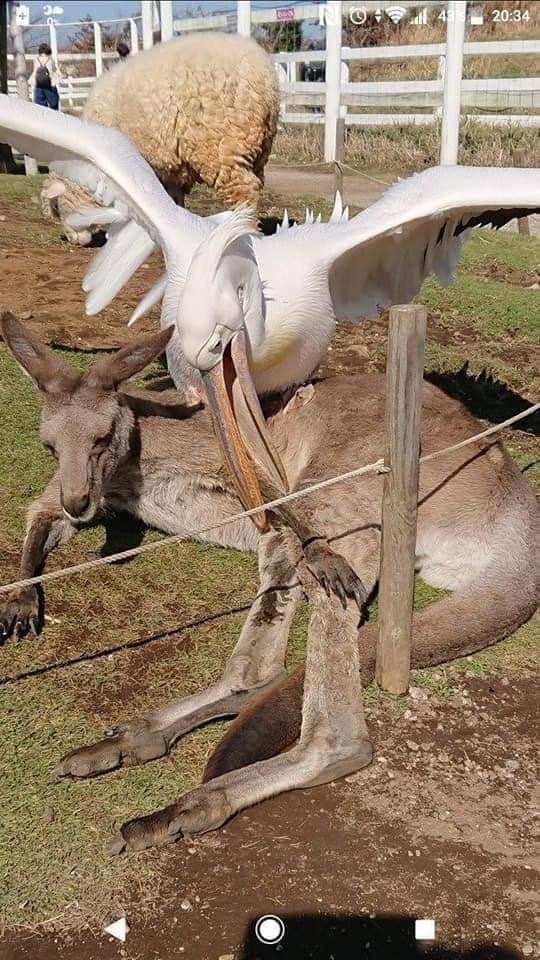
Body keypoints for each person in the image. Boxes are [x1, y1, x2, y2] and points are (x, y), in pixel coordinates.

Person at [29, 43, 61, 110]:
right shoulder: (50, 60)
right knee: (54, 103)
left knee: (40, 106)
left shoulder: (36, 59)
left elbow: (34, 71)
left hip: (38, 84)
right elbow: (54, 70)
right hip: (49, 84)